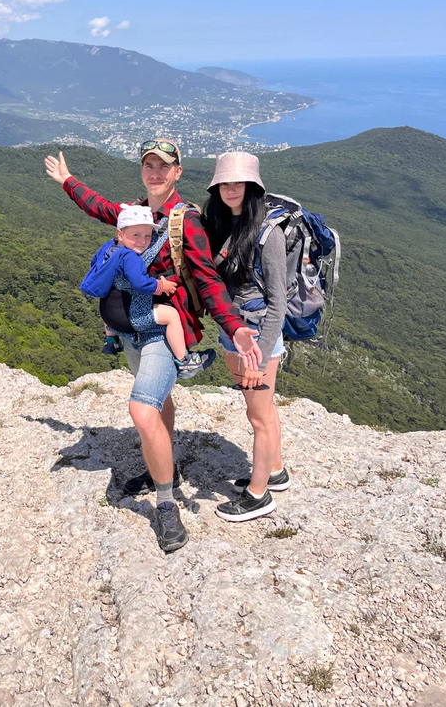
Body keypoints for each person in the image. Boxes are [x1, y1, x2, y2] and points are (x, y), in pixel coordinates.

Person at [45, 139, 262, 553]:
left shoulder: (186, 222)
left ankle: (165, 504)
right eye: (149, 165)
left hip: (163, 329)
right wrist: (68, 181)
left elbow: (207, 278)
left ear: (178, 171)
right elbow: (101, 208)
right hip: (131, 329)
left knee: (141, 409)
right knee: (159, 404)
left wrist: (234, 327)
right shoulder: (135, 213)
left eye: (164, 166)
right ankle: (165, 468)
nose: (155, 173)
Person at [202, 151, 291, 523]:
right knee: (262, 410)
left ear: (253, 187)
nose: (230, 189)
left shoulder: (269, 234)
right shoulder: (222, 225)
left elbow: (279, 301)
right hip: (232, 334)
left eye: (238, 182)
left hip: (258, 339)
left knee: (258, 417)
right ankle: (275, 471)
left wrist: (261, 354)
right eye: (224, 183)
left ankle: (258, 495)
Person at [80, 203, 217, 380]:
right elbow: (141, 284)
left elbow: (94, 263)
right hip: (130, 318)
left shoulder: (109, 247)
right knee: (171, 316)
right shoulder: (130, 257)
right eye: (136, 235)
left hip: (108, 315)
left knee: (113, 292)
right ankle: (185, 361)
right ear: (120, 233)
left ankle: (111, 340)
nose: (143, 241)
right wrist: (162, 286)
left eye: (147, 235)